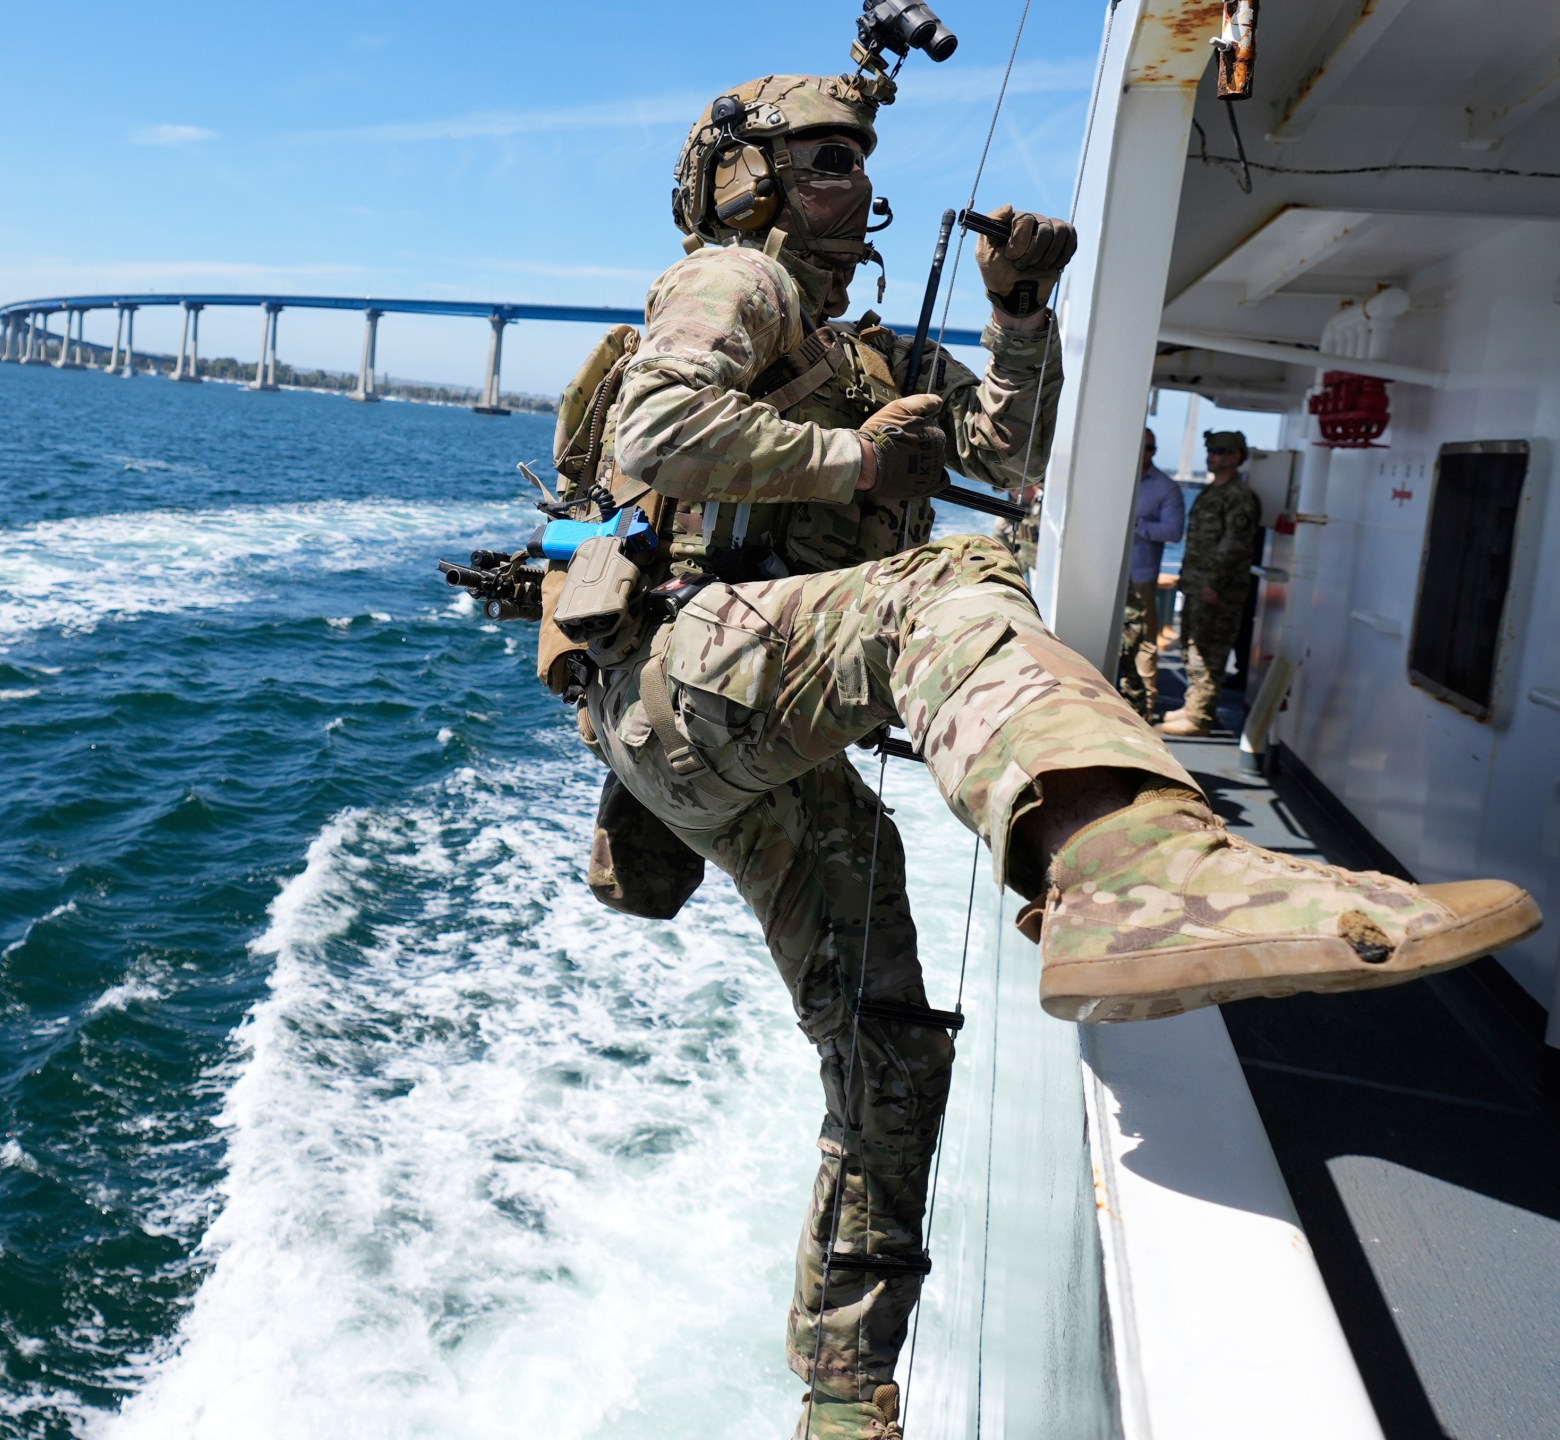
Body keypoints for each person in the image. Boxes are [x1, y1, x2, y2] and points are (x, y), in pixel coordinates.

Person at [505, 63, 1541, 1440]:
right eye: (822, 159)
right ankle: (1136, 875)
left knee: (886, 1046)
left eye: (861, 160)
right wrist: (851, 469)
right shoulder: (735, 283)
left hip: (730, 747)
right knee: (957, 573)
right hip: (682, 678)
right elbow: (658, 426)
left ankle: (841, 1391)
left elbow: (1011, 438)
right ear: (746, 184)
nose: (856, 182)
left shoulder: (864, 352)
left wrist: (1016, 316)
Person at [1160, 430, 1260, 736]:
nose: (1212, 456)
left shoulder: (1240, 497)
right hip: (1195, 586)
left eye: (1219, 451)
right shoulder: (1212, 492)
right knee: (1192, 648)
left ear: (1236, 457)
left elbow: (1234, 546)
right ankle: (1194, 705)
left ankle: (1201, 717)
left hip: (1217, 592)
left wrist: (1214, 584)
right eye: (1211, 450)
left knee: (1209, 653)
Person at [1118, 429, 1186, 720]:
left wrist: (1136, 526)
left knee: (1144, 641)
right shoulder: (1114, 478)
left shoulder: (1166, 488)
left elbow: (1173, 531)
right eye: (1137, 446)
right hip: (1107, 577)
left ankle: (1143, 709)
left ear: (1154, 451)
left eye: (1148, 448)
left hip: (1140, 577)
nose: (1142, 453)